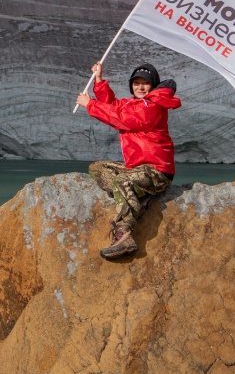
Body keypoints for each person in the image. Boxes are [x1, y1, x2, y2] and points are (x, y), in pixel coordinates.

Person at [75, 61, 181, 259]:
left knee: (121, 181)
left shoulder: (153, 106)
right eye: (136, 83)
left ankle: (124, 235)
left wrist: (90, 104)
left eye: (145, 83)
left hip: (157, 171)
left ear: (154, 85)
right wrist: (99, 79)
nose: (140, 87)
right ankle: (138, 197)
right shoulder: (134, 103)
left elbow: (122, 118)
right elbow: (113, 105)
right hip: (137, 169)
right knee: (98, 168)